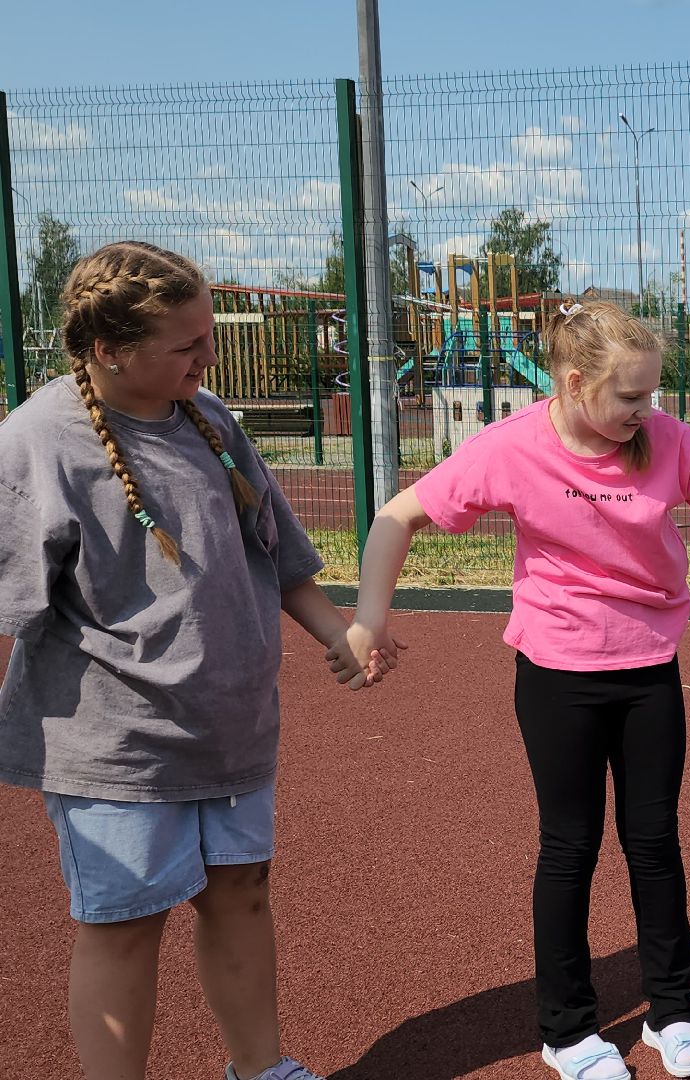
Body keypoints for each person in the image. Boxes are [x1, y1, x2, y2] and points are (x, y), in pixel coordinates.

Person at [340, 301, 690, 1080]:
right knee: (569, 846)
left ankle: (672, 1011)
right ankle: (569, 1029)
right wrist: (370, 619)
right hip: (557, 675)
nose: (648, 412)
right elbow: (397, 515)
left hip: (648, 671)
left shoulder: (665, 440)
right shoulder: (512, 448)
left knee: (653, 841)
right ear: (576, 384)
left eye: (651, 395)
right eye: (631, 398)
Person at [0, 242, 375, 1080]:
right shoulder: (36, 442)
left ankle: (260, 1067)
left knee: (241, 897)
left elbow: (277, 554)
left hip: (229, 727)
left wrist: (336, 632)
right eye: (187, 345)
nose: (208, 357)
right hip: (117, 746)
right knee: (125, 924)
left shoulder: (212, 422)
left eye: (206, 336)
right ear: (108, 349)